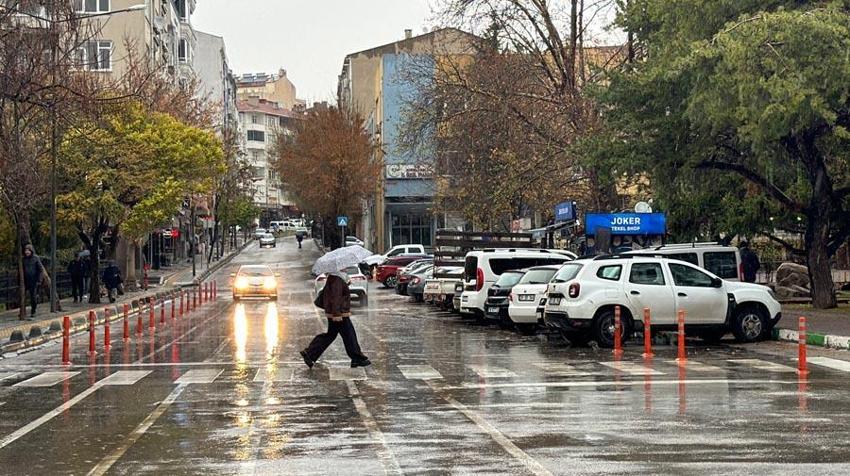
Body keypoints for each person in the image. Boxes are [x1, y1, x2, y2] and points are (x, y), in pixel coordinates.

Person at [301, 269, 370, 369]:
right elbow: (336, 297)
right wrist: (337, 314)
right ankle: (356, 358)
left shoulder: (336, 277)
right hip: (339, 314)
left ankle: (310, 353)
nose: (346, 267)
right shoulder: (337, 279)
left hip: (337, 313)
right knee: (349, 335)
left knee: (332, 335)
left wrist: (346, 284)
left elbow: (338, 294)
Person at [22, 244, 45, 319]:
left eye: (28, 250)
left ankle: (33, 310)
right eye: (26, 250)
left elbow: (41, 269)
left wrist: (39, 280)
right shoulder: (23, 259)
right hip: (25, 280)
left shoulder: (35, 258)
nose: (27, 252)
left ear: (31, 251)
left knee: (33, 296)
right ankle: (23, 311)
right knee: (22, 295)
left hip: (34, 280)